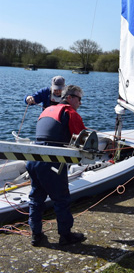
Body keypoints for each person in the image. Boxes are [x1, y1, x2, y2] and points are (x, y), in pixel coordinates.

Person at [26, 85, 87, 247]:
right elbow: (84, 141)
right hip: (51, 161)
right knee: (61, 199)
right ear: (70, 98)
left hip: (32, 158)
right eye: (79, 99)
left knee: (36, 198)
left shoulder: (47, 110)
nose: (80, 103)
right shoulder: (70, 113)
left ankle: (36, 235)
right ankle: (66, 236)